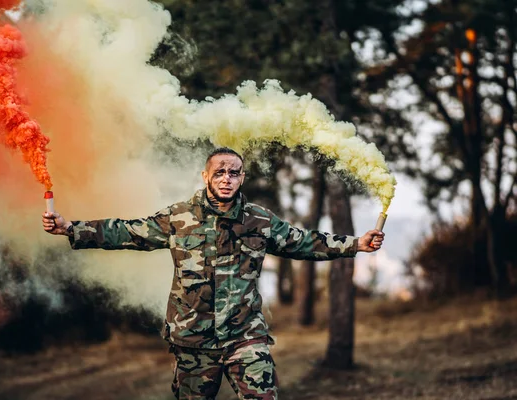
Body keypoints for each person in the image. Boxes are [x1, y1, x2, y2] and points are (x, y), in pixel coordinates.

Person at [42, 147, 384, 400]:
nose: (226, 178)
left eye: (233, 172)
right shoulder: (178, 218)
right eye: (219, 172)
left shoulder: (259, 220)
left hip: (245, 335)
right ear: (205, 176)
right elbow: (129, 232)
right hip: (193, 340)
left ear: (242, 178)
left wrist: (356, 244)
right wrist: (72, 228)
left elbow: (304, 242)